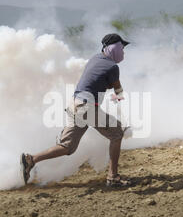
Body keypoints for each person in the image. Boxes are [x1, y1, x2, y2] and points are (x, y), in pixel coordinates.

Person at [20, 33, 131, 187]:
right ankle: (113, 177)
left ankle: (31, 159)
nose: (124, 51)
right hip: (86, 106)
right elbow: (118, 91)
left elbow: (98, 80)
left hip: (75, 103)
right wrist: (120, 98)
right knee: (117, 134)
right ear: (114, 48)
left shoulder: (95, 59)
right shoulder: (113, 67)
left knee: (67, 147)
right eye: (122, 47)